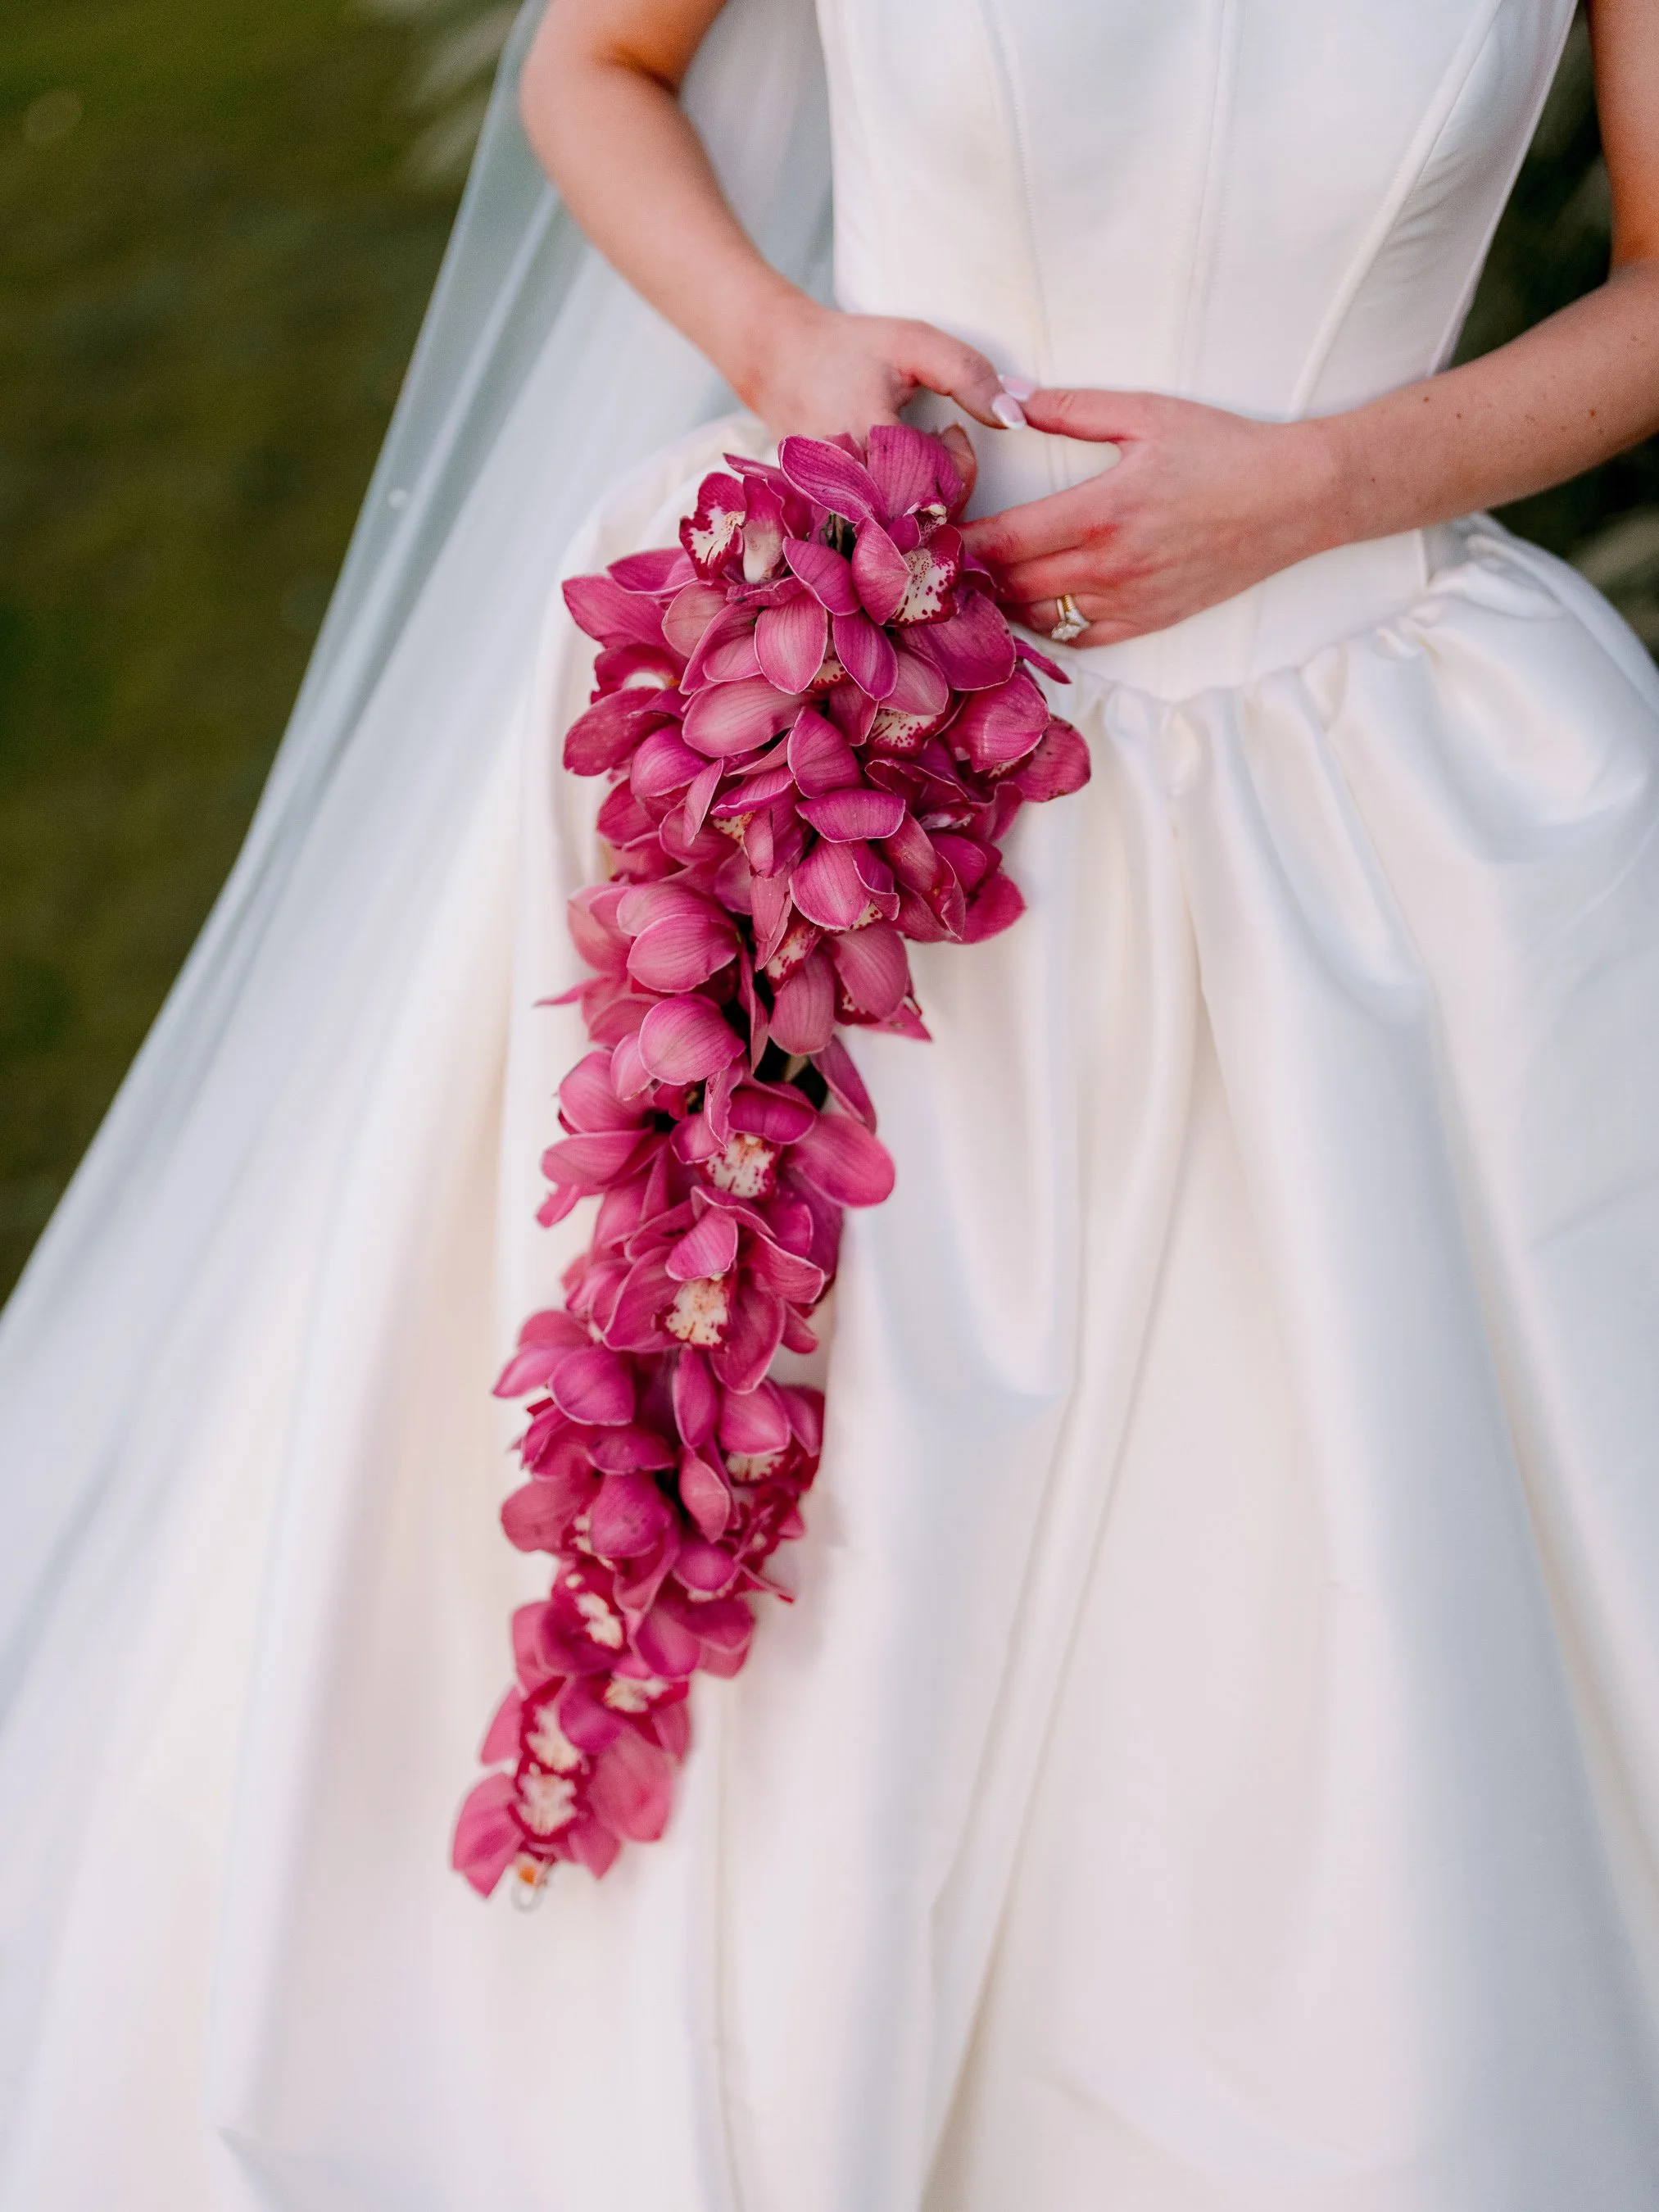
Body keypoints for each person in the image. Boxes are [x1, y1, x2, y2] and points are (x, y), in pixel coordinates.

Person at [2, 0, 1658, 2204]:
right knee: (817, 1555)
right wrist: (782, 346)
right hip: (854, 742)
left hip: (1380, 798)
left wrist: (1323, 485)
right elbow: (592, 70)